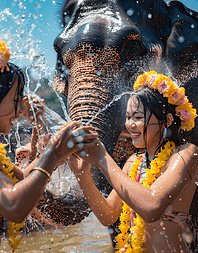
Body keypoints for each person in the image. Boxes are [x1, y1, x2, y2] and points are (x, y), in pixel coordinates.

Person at [0, 37, 97, 253]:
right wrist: (53, 152)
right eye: (15, 100)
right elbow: (14, 206)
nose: (20, 111)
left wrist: (56, 153)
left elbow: (23, 182)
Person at [69, 70, 198, 253]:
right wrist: (82, 175)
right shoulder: (133, 161)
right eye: (128, 117)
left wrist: (103, 158)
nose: (129, 124)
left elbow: (152, 206)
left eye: (138, 117)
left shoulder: (186, 155)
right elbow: (109, 215)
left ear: (167, 120)